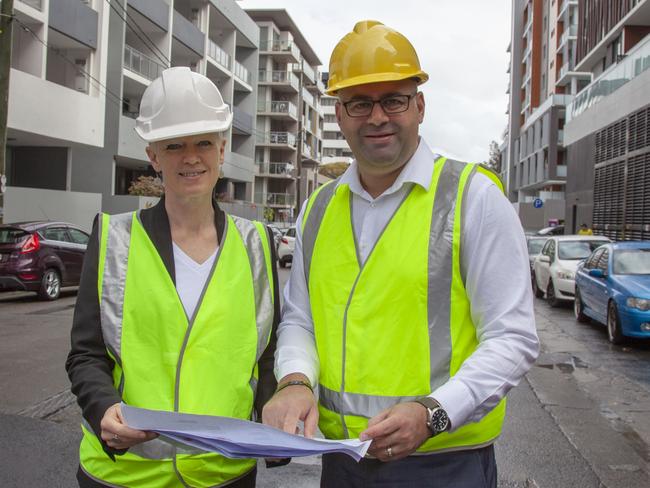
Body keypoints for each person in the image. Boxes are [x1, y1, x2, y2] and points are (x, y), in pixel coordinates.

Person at [262, 20, 539, 487]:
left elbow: (512, 337)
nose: (377, 117)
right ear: (339, 113)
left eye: (394, 99)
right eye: (359, 103)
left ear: (420, 105)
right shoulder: (317, 209)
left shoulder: (472, 197)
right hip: (342, 462)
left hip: (445, 464)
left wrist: (433, 414)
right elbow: (300, 320)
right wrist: (293, 381)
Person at [66, 67, 281, 487]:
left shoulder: (258, 242)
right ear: (153, 155)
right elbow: (85, 354)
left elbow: (268, 354)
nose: (190, 157)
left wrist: (276, 420)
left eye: (203, 142)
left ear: (221, 150)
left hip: (223, 473)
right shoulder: (114, 237)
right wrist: (103, 410)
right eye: (174, 145)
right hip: (125, 473)